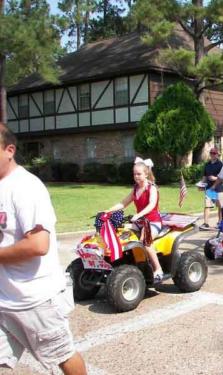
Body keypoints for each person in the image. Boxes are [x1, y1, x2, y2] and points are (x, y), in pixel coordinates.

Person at [0, 123, 87, 374]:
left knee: (64, 356)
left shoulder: (26, 187)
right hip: (5, 299)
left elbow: (38, 244)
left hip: (35, 299)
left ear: (9, 150)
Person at [107, 157, 164, 283]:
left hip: (152, 222)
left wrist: (138, 215)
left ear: (146, 174)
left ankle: (158, 270)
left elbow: (151, 205)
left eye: (139, 174)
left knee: (145, 241)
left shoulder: (152, 188)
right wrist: (107, 211)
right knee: (121, 231)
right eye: (134, 174)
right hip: (140, 222)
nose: (136, 176)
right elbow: (123, 203)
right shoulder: (135, 189)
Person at [199, 147, 223, 230]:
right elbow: (204, 176)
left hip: (219, 188)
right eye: (211, 153)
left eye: (214, 153)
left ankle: (220, 222)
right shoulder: (207, 164)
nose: (212, 155)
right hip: (209, 189)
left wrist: (215, 178)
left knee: (220, 206)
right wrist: (201, 185)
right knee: (207, 205)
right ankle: (205, 223)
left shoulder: (221, 165)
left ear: (217, 155)